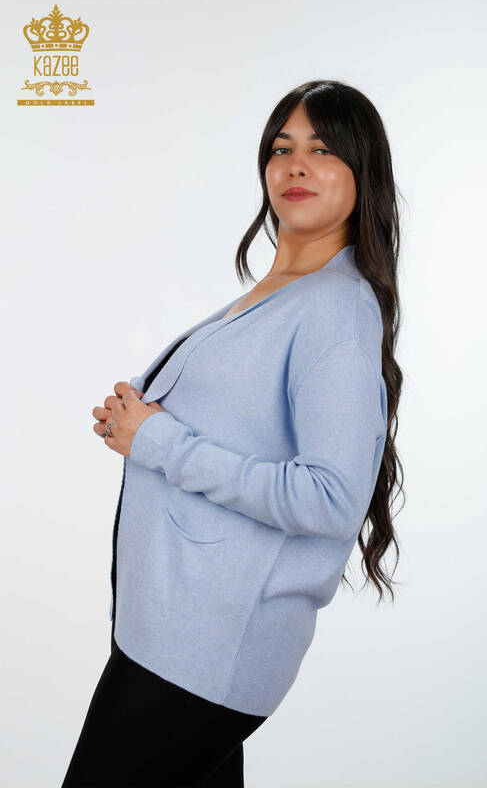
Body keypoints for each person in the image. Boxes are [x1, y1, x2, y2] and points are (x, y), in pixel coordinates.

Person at [61, 78, 404, 786]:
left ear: (363, 172)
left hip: (205, 648)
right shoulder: (276, 294)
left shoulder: (335, 311)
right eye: (282, 148)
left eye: (323, 150)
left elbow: (330, 499)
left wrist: (158, 441)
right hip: (167, 632)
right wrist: (139, 419)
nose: (296, 164)